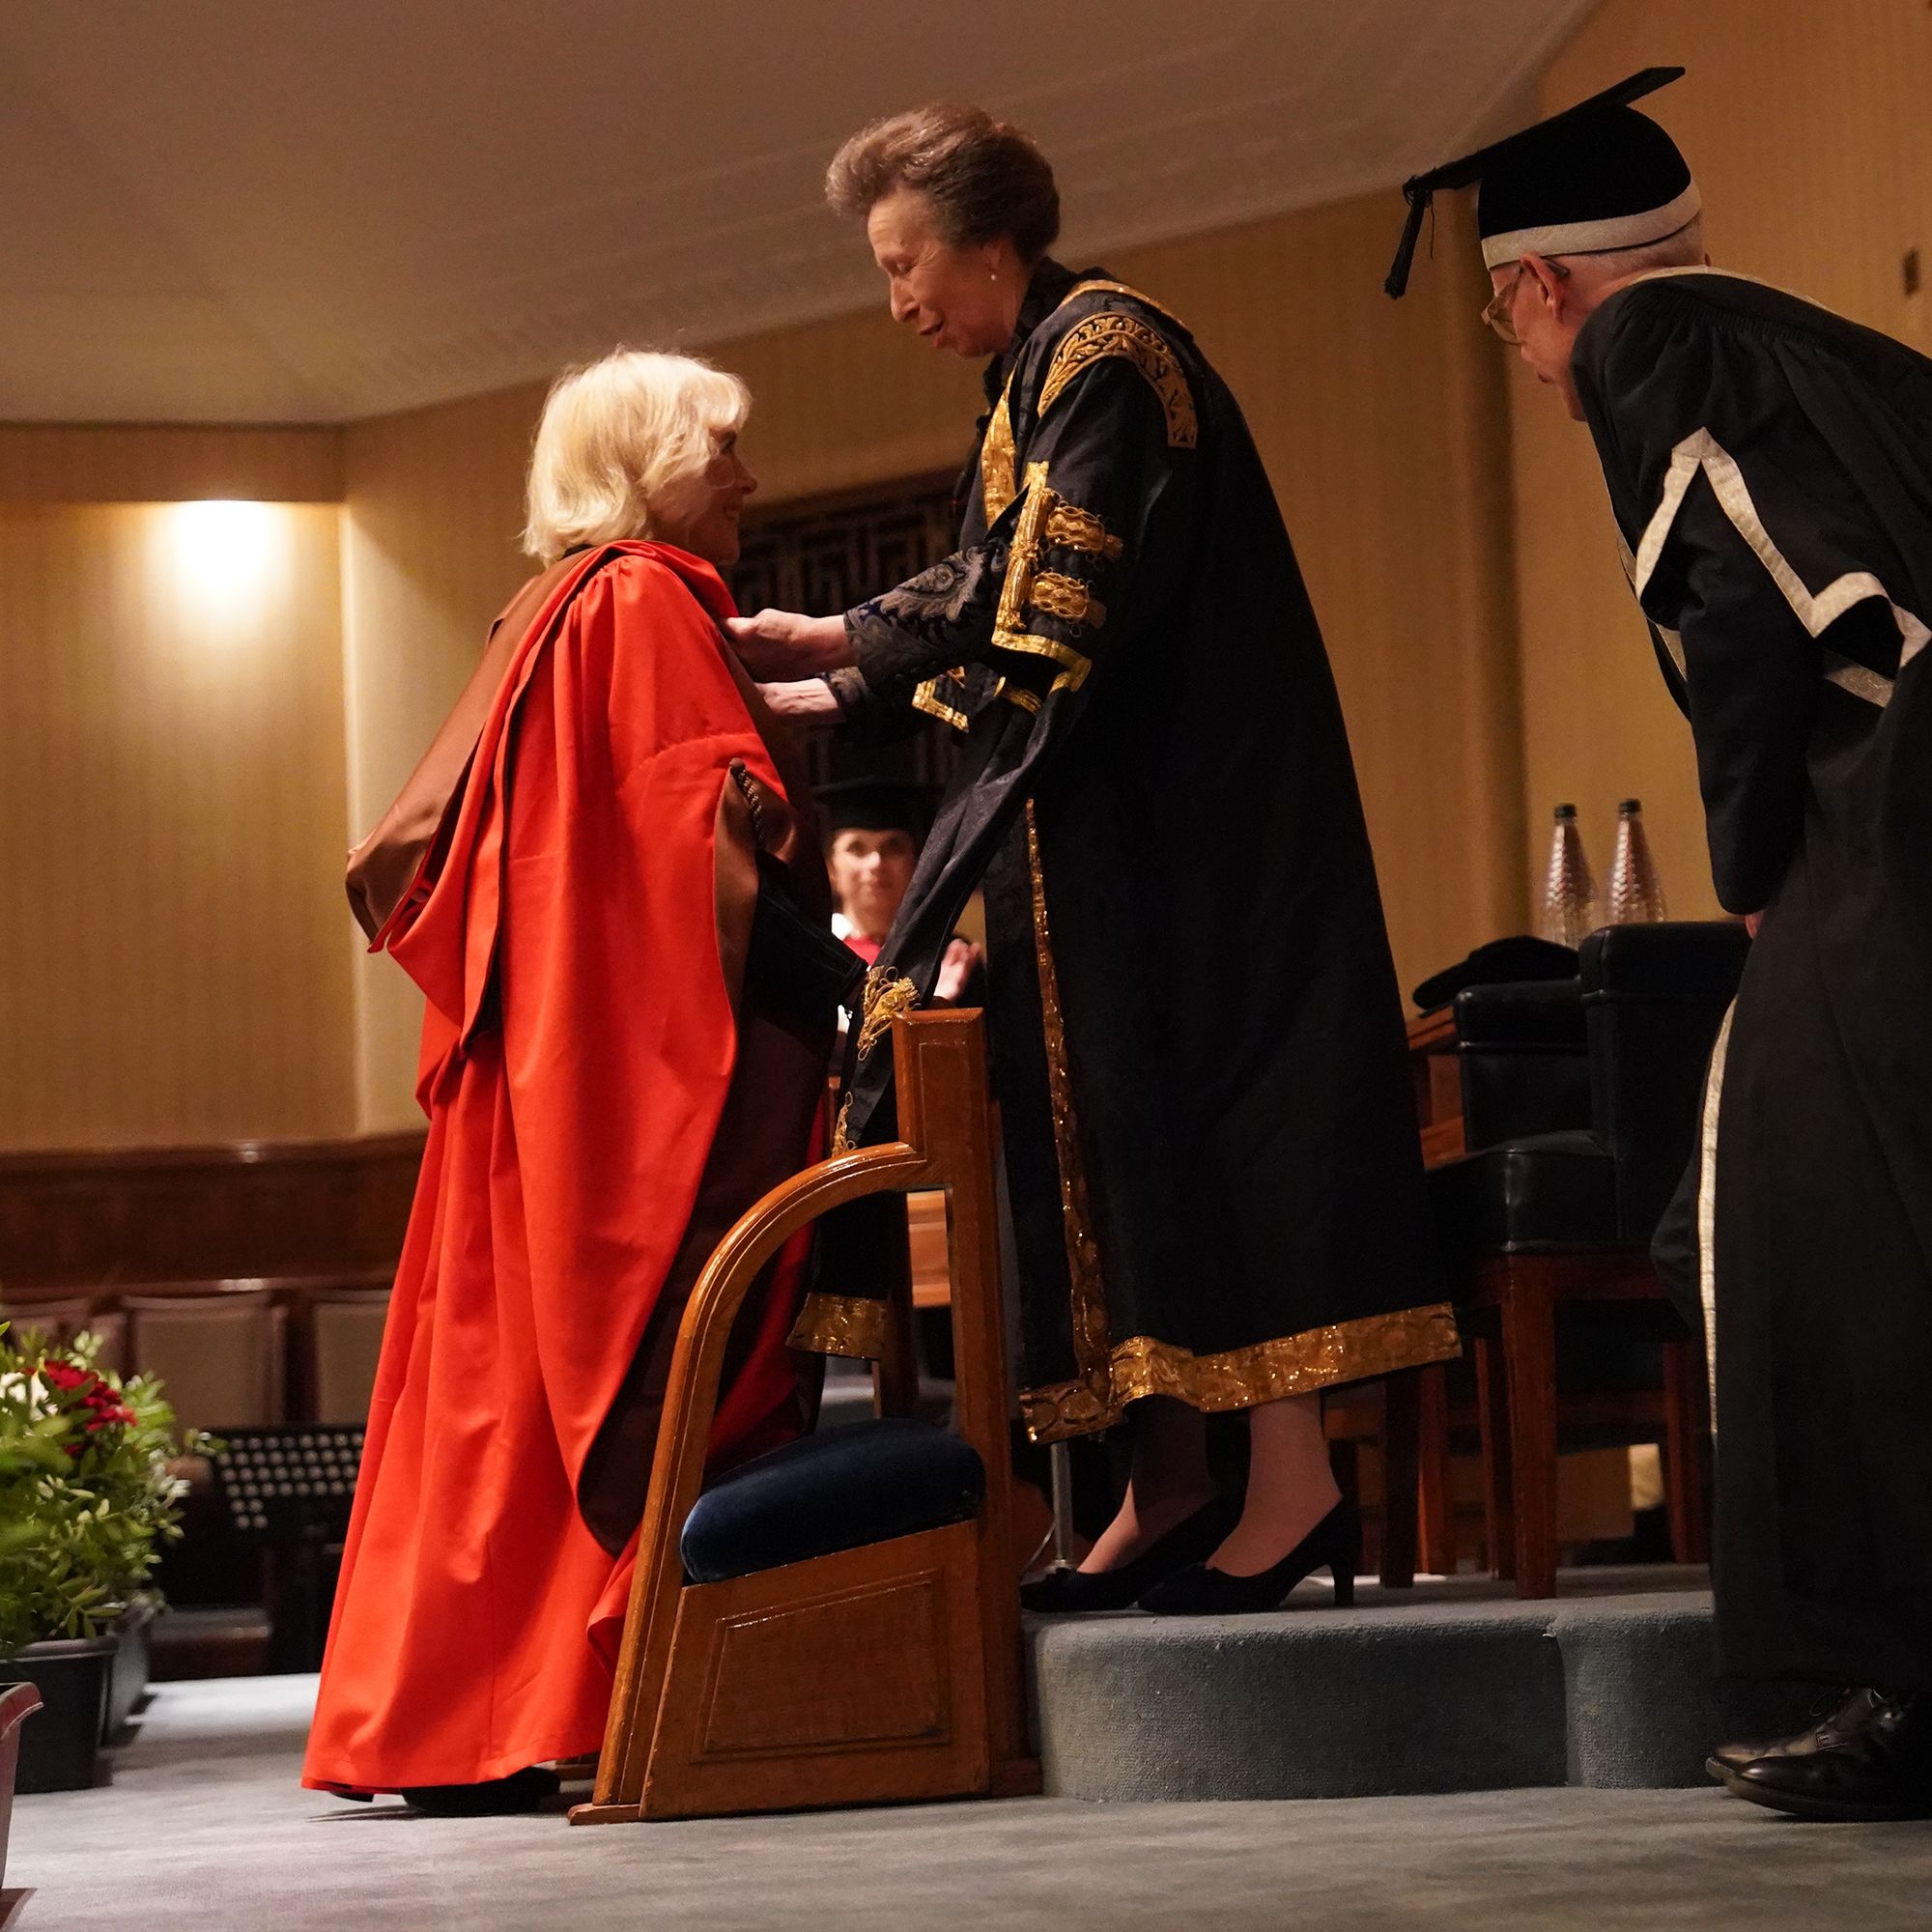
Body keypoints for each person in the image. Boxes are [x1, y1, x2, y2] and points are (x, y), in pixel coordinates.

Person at [733, 104, 1457, 1615]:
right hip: (1122, 845)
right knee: (1126, 1150)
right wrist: (847, 667)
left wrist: (852, 648)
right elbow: (1001, 584)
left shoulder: (1105, 350)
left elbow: (1051, 593)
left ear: (989, 241)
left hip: (1209, 836)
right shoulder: (1038, 370)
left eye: (905, 262)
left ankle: (1295, 1488)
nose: (899, 301)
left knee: (1229, 1129)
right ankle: (1172, 1482)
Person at [1393, 68, 1932, 1820]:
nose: (1525, 356)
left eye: (1506, 317)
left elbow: (1738, 590)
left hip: (1889, 814)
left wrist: (1752, 856)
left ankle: (1874, 1685)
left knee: (1776, 1217)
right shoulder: (1824, 341)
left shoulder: (1652, 358)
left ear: (1546, 285)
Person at [304, 350, 845, 1813]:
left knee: (491, 1392)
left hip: (527, 1084)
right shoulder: (646, 601)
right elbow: (697, 850)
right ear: (648, 462)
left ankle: (456, 1721)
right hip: (606, 1087)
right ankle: (556, 1703)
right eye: (720, 448)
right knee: (597, 1382)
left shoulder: (546, 611)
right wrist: (840, 972)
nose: (745, 477)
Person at [819, 776, 982, 998]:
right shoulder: (815, 953)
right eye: (856, 849)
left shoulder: (948, 957)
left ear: (917, 864)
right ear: (830, 868)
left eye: (893, 846)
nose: (876, 863)